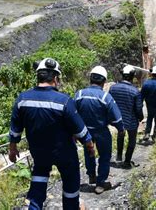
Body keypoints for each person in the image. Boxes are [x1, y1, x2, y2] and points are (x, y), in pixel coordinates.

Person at [8, 58, 95, 210]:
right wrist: (89, 145)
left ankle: (34, 207)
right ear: (55, 78)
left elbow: (15, 129)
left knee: (38, 185)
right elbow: (80, 130)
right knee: (70, 186)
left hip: (39, 153)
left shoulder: (22, 99)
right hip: (65, 154)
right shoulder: (64, 101)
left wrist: (13, 148)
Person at [74, 66, 124, 194]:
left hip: (84, 132)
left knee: (88, 152)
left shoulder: (79, 94)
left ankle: (91, 174)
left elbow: (72, 114)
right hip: (101, 131)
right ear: (104, 81)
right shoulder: (105, 97)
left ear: (90, 78)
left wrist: (73, 132)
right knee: (105, 156)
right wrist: (120, 129)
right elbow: (116, 117)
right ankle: (100, 183)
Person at [109, 65, 143, 169]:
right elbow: (138, 108)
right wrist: (140, 118)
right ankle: (127, 161)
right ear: (132, 76)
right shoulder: (135, 91)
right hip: (131, 120)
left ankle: (119, 157)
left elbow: (109, 103)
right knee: (132, 139)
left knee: (120, 135)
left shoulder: (113, 88)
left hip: (118, 119)